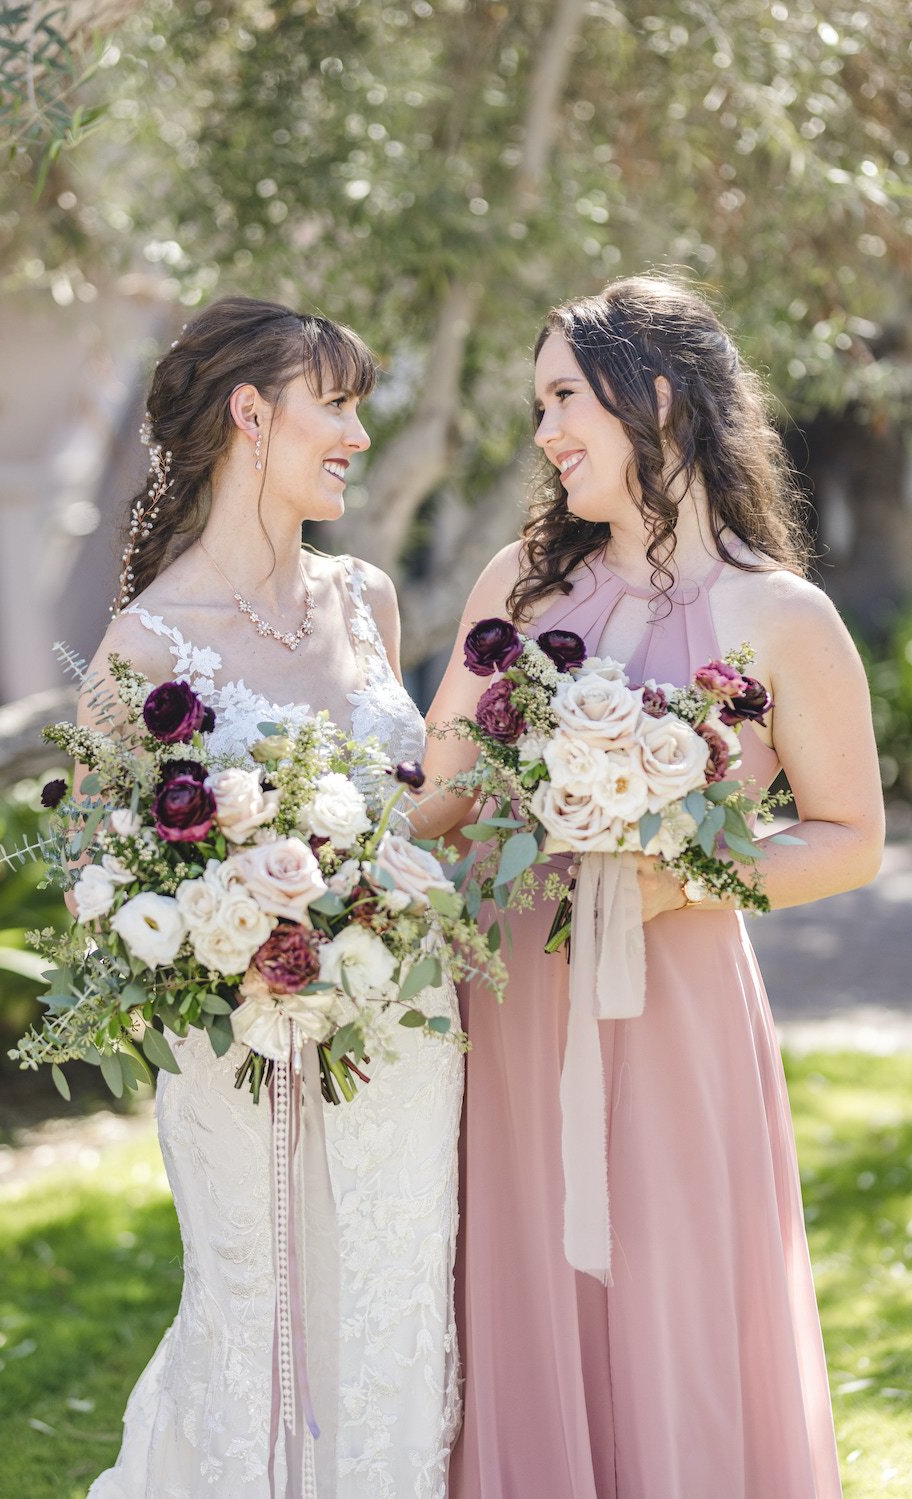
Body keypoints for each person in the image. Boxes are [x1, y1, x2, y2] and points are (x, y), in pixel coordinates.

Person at [421, 275, 884, 1499]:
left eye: (563, 396)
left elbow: (847, 838)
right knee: (528, 1296)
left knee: (675, 1302)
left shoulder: (782, 615)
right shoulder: (517, 582)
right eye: (538, 404)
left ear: (658, 397)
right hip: (513, 1003)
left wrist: (686, 871)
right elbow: (445, 783)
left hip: (674, 1010)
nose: (545, 433)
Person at [83, 297, 462, 1498]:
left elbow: (406, 807)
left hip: (404, 1030)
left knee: (396, 1296)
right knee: (258, 1309)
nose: (356, 432)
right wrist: (230, 931)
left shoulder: (367, 597)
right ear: (253, 413)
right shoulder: (144, 649)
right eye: (335, 405)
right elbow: (98, 878)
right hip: (242, 1052)